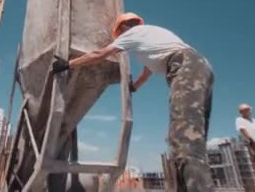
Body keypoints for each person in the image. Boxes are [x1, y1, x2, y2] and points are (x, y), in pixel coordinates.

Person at [52, 12, 214, 191]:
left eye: (119, 34)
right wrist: (134, 87)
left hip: (185, 67)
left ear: (123, 28)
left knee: (183, 140)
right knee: (194, 140)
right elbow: (146, 73)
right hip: (200, 67)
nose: (120, 38)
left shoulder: (132, 34)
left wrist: (68, 64)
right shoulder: (152, 37)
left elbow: (101, 54)